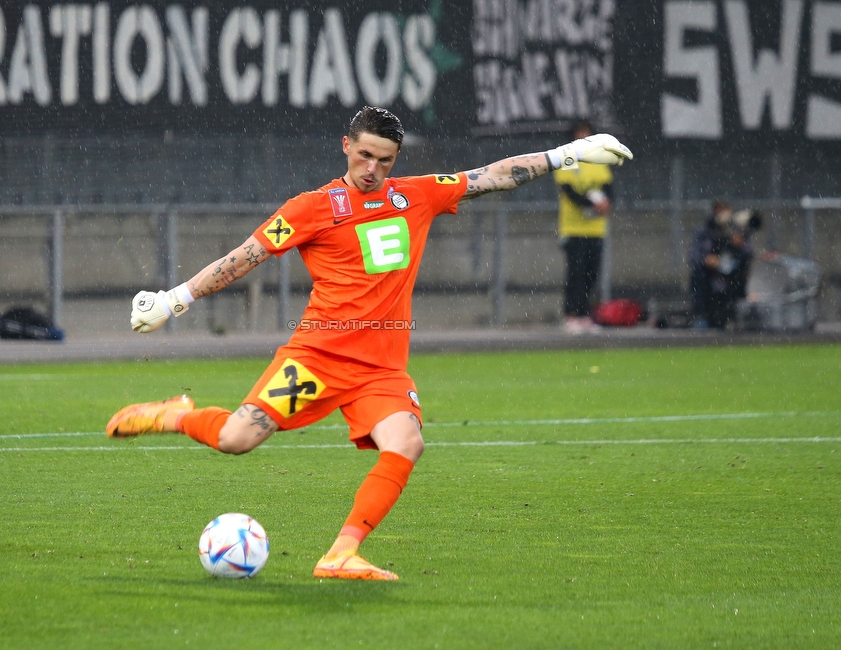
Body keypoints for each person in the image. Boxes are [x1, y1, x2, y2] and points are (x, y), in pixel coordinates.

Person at [106, 107, 632, 580]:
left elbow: (489, 176)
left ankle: (340, 553)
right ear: (345, 147)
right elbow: (246, 256)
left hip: (380, 370)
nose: (373, 169)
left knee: (406, 443)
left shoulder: (416, 195)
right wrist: (174, 300)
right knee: (236, 440)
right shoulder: (313, 207)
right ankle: (174, 414)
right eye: (364, 156)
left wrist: (567, 155)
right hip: (317, 360)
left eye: (385, 160)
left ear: (395, 158)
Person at [553, 120, 617, 334]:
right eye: (579, 134)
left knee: (591, 274)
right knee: (576, 273)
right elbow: (569, 190)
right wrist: (592, 204)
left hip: (595, 228)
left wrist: (606, 203)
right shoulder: (568, 158)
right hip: (573, 228)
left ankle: (584, 314)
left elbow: (608, 187)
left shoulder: (598, 159)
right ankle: (571, 315)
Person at [689, 201, 762, 329]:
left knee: (728, 321)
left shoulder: (737, 235)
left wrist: (737, 245)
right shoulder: (705, 233)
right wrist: (708, 259)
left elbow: (746, 256)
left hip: (730, 288)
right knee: (708, 321)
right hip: (708, 286)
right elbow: (696, 256)